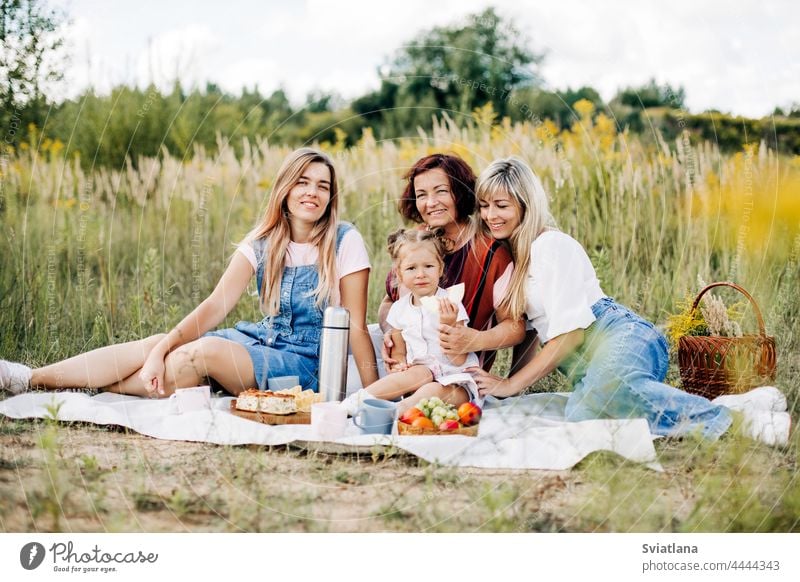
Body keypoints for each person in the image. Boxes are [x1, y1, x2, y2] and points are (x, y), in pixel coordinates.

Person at [0, 148, 378, 398]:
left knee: (200, 354)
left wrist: (376, 397)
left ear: (331, 197)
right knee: (159, 345)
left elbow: (357, 327)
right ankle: (29, 379)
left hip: (306, 365)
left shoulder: (345, 240)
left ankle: (92, 388)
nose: (312, 192)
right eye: (303, 182)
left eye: (322, 186)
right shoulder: (264, 241)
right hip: (262, 341)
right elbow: (216, 305)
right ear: (285, 188)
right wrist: (160, 349)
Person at [467, 156, 791, 445]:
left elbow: (570, 334)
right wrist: (513, 387)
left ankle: (736, 423)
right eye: (484, 205)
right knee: (584, 413)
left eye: (501, 205)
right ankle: (734, 405)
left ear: (526, 205)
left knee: (601, 400)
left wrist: (510, 384)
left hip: (620, 336)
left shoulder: (550, 245)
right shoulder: (515, 256)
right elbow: (535, 331)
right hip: (587, 364)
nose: (490, 215)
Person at [378, 153, 527, 373]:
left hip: (457, 373)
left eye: (441, 191)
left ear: (460, 192)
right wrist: (392, 332)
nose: (430, 203)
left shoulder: (491, 255)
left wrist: (475, 339)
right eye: (421, 195)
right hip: (405, 367)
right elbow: (388, 302)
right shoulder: (415, 240)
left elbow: (515, 327)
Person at [344, 229, 479, 415]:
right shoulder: (399, 310)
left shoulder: (450, 304)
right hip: (421, 375)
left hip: (456, 383)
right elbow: (399, 354)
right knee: (420, 373)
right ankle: (357, 401)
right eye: (411, 268)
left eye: (428, 266)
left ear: (440, 269)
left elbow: (459, 360)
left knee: (430, 390)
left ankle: (395, 412)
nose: (421, 274)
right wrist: (400, 365)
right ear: (399, 275)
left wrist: (449, 324)